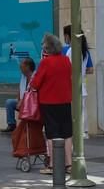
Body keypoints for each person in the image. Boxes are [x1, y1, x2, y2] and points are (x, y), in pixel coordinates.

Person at [30, 34, 73, 175]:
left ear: (47, 49)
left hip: (49, 102)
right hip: (65, 100)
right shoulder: (66, 60)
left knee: (52, 133)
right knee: (67, 133)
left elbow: (35, 84)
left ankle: (53, 165)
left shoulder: (46, 63)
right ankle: (69, 164)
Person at [64, 26, 94, 139]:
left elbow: (69, 68)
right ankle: (84, 131)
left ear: (68, 36)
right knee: (82, 109)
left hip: (73, 85)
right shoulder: (83, 50)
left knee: (76, 111)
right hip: (80, 85)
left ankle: (80, 132)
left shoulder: (72, 50)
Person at [1, 58, 36, 134]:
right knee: (9, 102)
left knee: (21, 104)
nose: (20, 67)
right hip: (23, 101)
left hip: (31, 103)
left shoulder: (35, 77)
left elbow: (31, 94)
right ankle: (11, 125)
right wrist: (18, 99)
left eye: (21, 66)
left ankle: (27, 128)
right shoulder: (23, 76)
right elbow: (20, 89)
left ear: (27, 67)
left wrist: (22, 101)